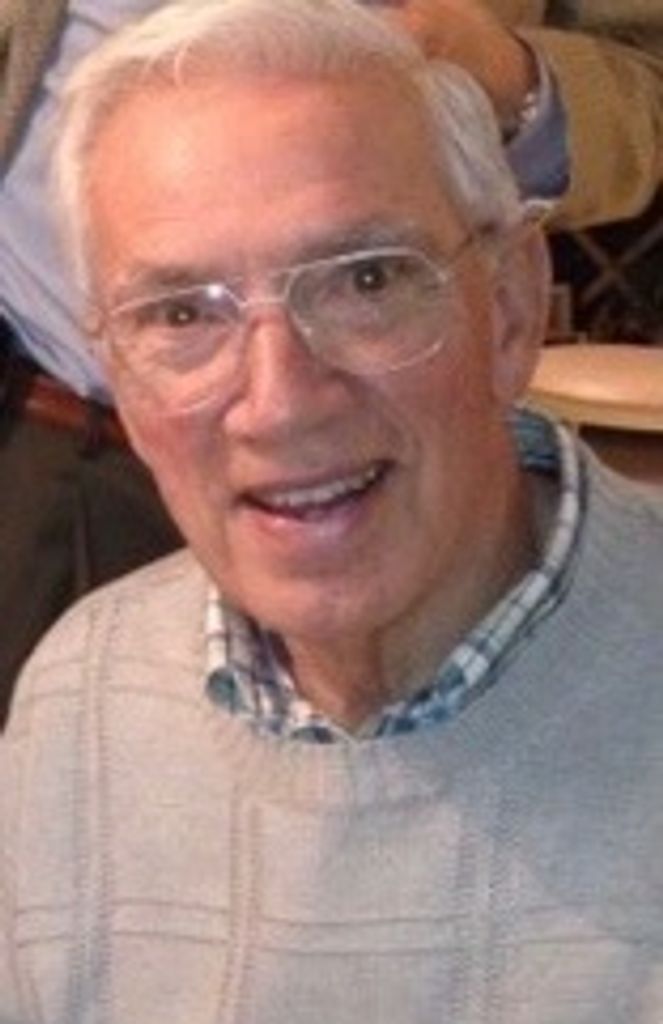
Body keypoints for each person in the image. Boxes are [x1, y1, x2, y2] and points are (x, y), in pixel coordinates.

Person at [3, 0, 663, 1018]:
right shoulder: (82, 700)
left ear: (511, 309)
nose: (279, 402)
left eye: (366, 280)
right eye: (180, 312)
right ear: (114, 360)